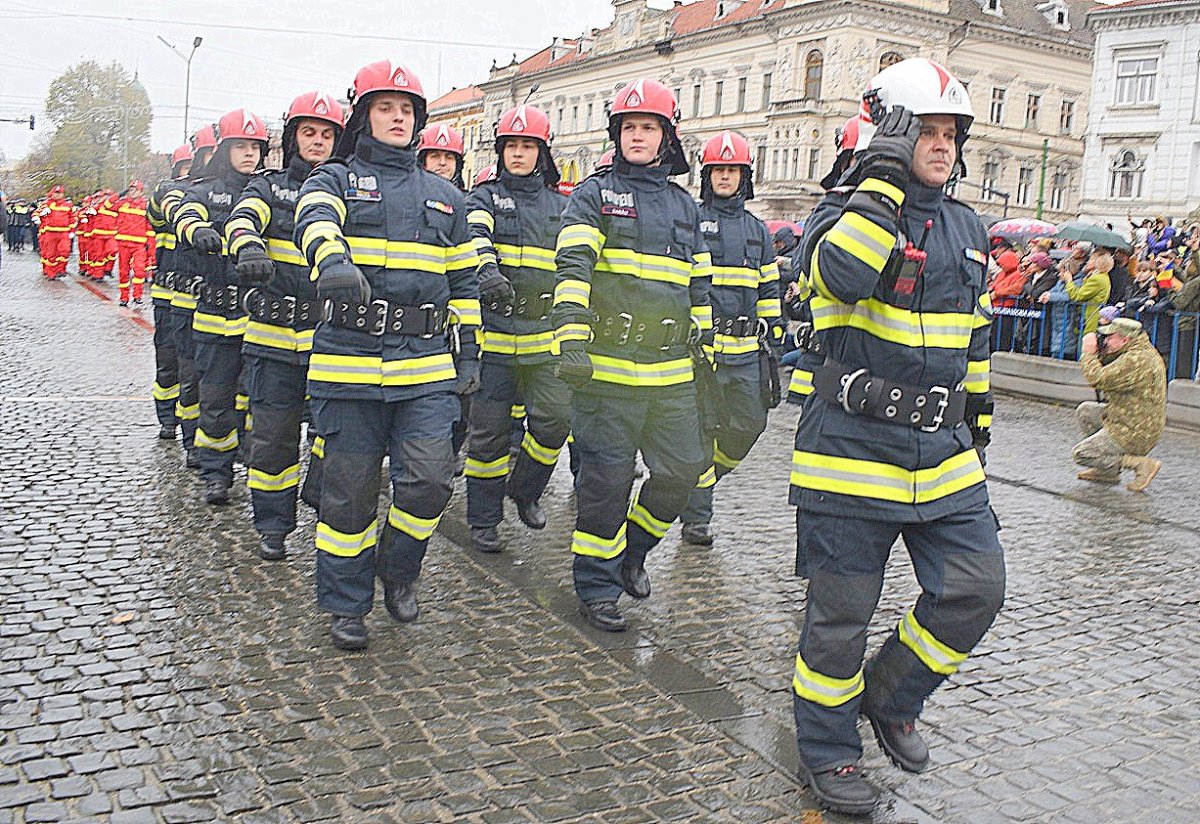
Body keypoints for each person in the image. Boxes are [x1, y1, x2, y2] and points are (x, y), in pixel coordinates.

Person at [789, 58, 1004, 815]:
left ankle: (890, 695)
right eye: (926, 131)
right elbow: (842, 278)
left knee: (977, 589)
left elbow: (973, 336)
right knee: (839, 623)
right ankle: (827, 753)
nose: (942, 145)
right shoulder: (841, 213)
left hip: (942, 457)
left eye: (951, 132)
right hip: (850, 453)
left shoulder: (969, 226)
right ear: (890, 130)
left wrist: (976, 423)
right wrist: (880, 182)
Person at [294, 59, 482, 650]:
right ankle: (346, 603)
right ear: (363, 117)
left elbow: (465, 282)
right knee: (348, 493)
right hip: (347, 361)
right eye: (385, 108)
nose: (397, 118)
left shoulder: (446, 197)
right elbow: (315, 221)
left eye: (406, 110)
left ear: (418, 122)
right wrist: (331, 261)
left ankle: (399, 569)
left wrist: (470, 353)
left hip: (426, 365)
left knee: (428, 481)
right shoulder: (334, 180)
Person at [551, 77, 712, 633]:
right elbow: (572, 268)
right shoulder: (592, 195)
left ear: (667, 137)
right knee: (605, 485)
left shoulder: (685, 205)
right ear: (616, 135)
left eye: (648, 127)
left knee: (686, 469)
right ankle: (596, 589)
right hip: (606, 372)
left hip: (670, 373)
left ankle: (633, 551)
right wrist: (571, 337)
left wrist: (706, 336)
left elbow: (700, 280)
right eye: (629, 127)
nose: (637, 136)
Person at [225, 91, 344, 561]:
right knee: (272, 439)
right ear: (293, 136)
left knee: (334, 432)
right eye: (308, 132)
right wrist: (249, 246)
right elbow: (241, 220)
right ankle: (273, 524)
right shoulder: (268, 187)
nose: (317, 141)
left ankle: (317, 491)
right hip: (271, 340)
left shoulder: (347, 187)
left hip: (331, 339)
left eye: (326, 134)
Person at [463, 104, 571, 553]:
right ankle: (483, 520)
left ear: (541, 152)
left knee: (556, 418)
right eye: (512, 146)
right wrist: (486, 268)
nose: (519, 154)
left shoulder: (564, 204)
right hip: (495, 338)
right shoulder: (484, 197)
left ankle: (525, 488)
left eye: (528, 146)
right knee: (487, 437)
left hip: (544, 338)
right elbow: (473, 232)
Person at [677, 130, 780, 546]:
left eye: (732, 170)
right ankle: (697, 518)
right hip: (705, 352)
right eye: (718, 170)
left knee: (750, 425)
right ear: (707, 174)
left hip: (747, 354)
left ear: (744, 175)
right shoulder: (691, 220)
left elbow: (768, 288)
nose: (724, 177)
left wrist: (772, 332)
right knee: (702, 431)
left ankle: (695, 482)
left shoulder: (759, 231)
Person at [175, 109, 269, 504]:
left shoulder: (268, 191)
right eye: (241, 146)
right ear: (225, 149)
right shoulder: (206, 190)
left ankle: (250, 456)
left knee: (254, 397)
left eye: (256, 147)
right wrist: (197, 231)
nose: (249, 154)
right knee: (215, 398)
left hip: (258, 316)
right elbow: (184, 213)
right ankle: (217, 471)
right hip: (215, 313)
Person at [163, 125, 218, 467]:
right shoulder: (177, 192)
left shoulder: (243, 191)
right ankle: (189, 436)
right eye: (209, 154)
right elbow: (168, 211)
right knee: (188, 373)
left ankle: (216, 444)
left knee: (220, 382)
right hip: (184, 297)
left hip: (224, 303)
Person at [1073, 317, 1165, 491]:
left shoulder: (1137, 360)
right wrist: (1102, 351)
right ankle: (1108, 470)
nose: (1106, 340)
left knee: (1082, 453)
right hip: (1128, 417)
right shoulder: (1136, 350)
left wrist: (1088, 353)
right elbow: (1111, 367)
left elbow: (1098, 378)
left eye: (1110, 337)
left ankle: (1140, 464)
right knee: (1085, 412)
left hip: (1135, 430)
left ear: (1124, 340)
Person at [147, 143, 194, 440]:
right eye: (187, 168)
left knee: (193, 367)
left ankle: (191, 422)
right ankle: (167, 416)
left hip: (195, 295)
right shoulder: (166, 194)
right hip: (167, 292)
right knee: (168, 361)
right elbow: (155, 215)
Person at [114, 180, 155, 306]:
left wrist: (150, 244)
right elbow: (106, 205)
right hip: (123, 243)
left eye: (135, 190)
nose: (132, 192)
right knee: (123, 271)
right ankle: (124, 297)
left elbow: (149, 226)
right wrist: (118, 195)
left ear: (141, 192)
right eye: (131, 190)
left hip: (139, 244)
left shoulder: (146, 206)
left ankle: (137, 295)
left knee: (139, 270)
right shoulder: (122, 204)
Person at [36, 185, 74, 279]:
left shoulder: (68, 205)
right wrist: (38, 217)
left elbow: (72, 218)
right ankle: (51, 273)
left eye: (59, 193)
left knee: (65, 250)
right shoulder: (47, 204)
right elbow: (36, 213)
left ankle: (60, 269)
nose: (57, 195)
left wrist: (72, 230)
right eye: (56, 193)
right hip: (50, 232)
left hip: (64, 232)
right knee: (51, 253)